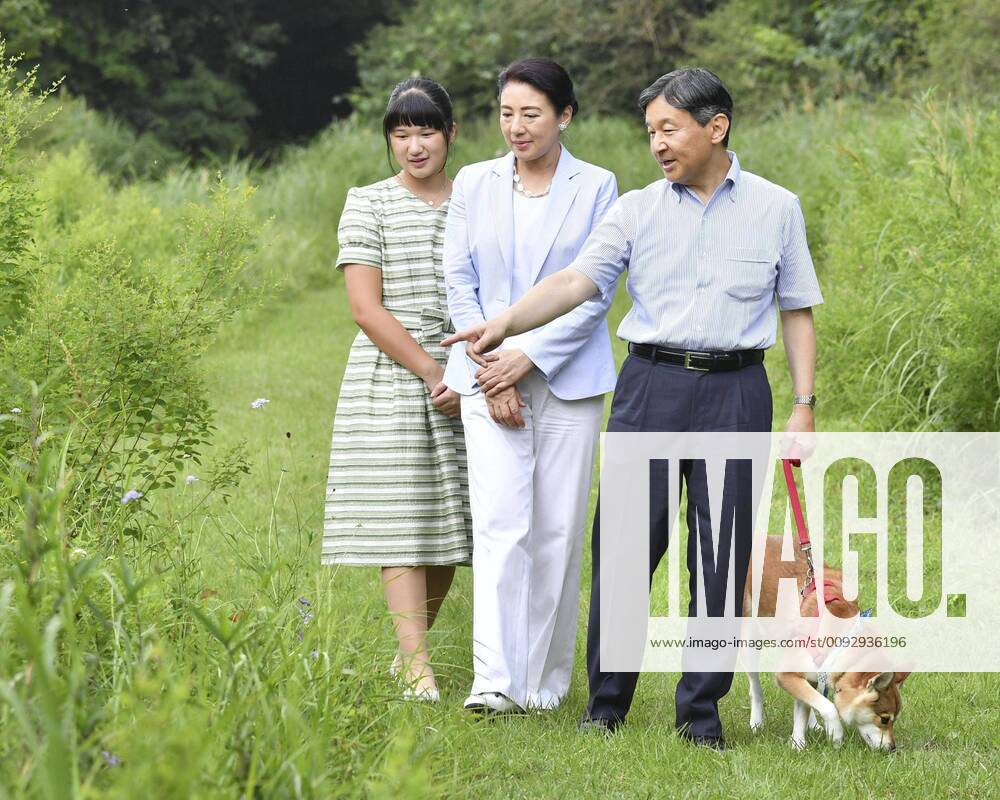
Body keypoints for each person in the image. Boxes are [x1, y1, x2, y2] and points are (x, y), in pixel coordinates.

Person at [444, 67, 822, 745]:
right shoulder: (636, 209)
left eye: (668, 129)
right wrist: (503, 324)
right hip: (650, 386)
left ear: (716, 127)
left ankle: (700, 715)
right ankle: (606, 706)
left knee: (720, 551)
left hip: (737, 389)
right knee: (624, 549)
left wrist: (803, 403)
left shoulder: (777, 208)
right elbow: (574, 282)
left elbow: (796, 310)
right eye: (649, 131)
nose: (656, 144)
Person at [442, 58, 619, 713]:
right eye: (507, 113)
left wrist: (529, 358)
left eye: (532, 114)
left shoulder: (598, 186)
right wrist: (494, 369)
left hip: (568, 380)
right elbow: (459, 281)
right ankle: (494, 682)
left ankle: (544, 685)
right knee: (499, 526)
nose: (516, 127)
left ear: (565, 115)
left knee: (556, 531)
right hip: (484, 377)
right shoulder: (473, 182)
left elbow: (593, 291)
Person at [323, 78, 471, 702]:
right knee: (403, 519)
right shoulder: (368, 202)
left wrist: (466, 370)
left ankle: (409, 655)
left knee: (452, 525)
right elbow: (365, 307)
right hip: (396, 373)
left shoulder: (478, 196)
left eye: (427, 131)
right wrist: (433, 372)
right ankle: (417, 666)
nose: (415, 146)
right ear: (389, 139)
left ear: (451, 134)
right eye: (402, 134)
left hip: (472, 371)